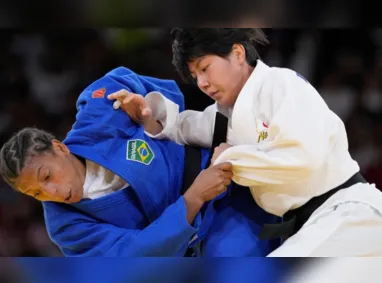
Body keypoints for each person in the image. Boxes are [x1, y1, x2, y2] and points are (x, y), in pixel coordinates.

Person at [107, 28, 382, 257]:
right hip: (315, 225)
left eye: (205, 68)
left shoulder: (281, 85)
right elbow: (182, 127)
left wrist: (231, 157)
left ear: (238, 53)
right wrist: (146, 115)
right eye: (195, 76)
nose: (202, 82)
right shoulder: (225, 116)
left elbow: (303, 159)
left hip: (349, 213)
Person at [0, 66, 278, 257]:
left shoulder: (97, 120)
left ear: (59, 148)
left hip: (224, 163)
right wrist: (193, 199)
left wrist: (144, 104)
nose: (52, 194)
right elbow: (132, 255)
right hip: (205, 234)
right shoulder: (64, 225)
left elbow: (119, 80)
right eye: (35, 193)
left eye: (47, 177)